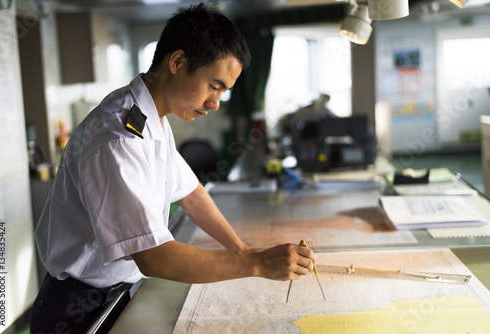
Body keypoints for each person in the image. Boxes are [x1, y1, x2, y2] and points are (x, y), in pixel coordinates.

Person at [29, 3, 317, 333]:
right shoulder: (118, 138)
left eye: (223, 91)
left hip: (116, 293)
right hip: (77, 310)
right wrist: (258, 264)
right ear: (177, 62)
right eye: (214, 85)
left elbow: (192, 194)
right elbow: (154, 257)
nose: (215, 103)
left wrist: (242, 248)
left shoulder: (152, 119)